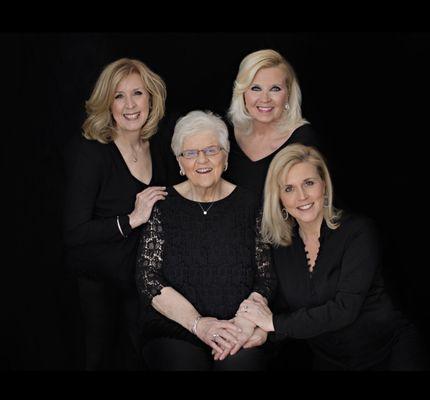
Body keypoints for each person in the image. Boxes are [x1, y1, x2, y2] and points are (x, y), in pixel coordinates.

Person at [236, 143, 428, 370]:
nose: (302, 196)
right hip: (331, 360)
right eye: (289, 189)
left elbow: (344, 309)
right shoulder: (281, 248)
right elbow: (285, 308)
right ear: (279, 199)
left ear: (324, 186)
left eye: (309, 183)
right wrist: (264, 333)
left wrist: (273, 324)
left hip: (389, 352)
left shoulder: (358, 232)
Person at [135, 110, 276, 370]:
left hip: (237, 326)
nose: (202, 160)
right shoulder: (163, 206)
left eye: (211, 150)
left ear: (225, 155)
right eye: (190, 153)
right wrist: (198, 324)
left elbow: (265, 277)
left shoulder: (249, 204)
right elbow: (148, 278)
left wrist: (243, 324)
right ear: (179, 162)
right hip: (175, 328)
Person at [63, 58, 168, 370]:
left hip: (142, 279)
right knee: (100, 361)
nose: (130, 105)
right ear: (107, 103)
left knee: (146, 358)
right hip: (100, 281)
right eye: (118, 96)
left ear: (151, 97)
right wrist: (132, 219)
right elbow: (74, 234)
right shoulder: (91, 152)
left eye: (137, 93)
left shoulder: (159, 145)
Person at [224, 49, 321, 199]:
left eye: (275, 89)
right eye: (255, 88)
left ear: (288, 94)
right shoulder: (225, 135)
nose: (265, 99)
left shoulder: (302, 139)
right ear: (242, 93)